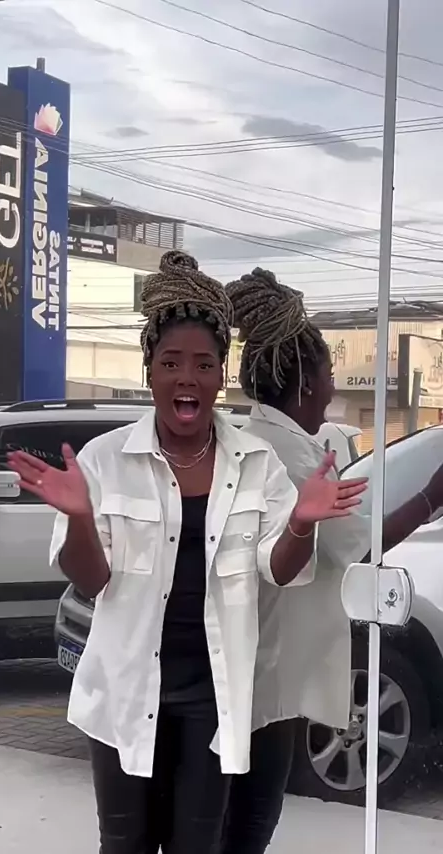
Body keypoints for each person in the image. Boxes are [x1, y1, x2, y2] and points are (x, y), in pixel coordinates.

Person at [8, 252, 366, 854]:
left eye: (203, 364)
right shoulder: (104, 460)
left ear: (220, 375)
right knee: (125, 843)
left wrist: (301, 523)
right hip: (124, 694)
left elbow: (279, 571)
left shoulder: (257, 464)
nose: (187, 378)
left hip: (213, 699)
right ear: (149, 370)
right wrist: (79, 517)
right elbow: (92, 580)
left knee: (198, 844)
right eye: (170, 362)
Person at [222, 267, 443, 854]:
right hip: (268, 674)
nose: (332, 387)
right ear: (303, 384)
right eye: (326, 375)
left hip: (250, 666)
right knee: (247, 827)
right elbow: (361, 545)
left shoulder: (259, 439)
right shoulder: (290, 458)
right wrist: (431, 497)